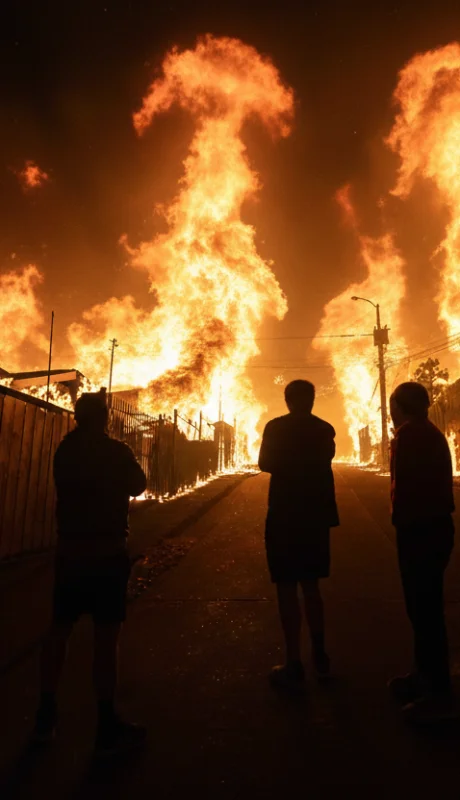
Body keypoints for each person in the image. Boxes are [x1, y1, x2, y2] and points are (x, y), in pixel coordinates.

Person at [33, 388, 148, 755]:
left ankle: (45, 713)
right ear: (106, 420)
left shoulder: (65, 451)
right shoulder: (116, 452)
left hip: (70, 553)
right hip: (107, 554)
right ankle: (105, 722)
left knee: (59, 630)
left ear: (77, 418)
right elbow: (139, 485)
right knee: (105, 639)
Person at [258, 379, 339, 689]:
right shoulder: (324, 430)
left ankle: (294, 661)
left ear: (288, 400)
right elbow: (325, 459)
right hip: (315, 517)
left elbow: (265, 463)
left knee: (286, 588)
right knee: (312, 586)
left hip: (284, 516)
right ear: (312, 400)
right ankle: (320, 653)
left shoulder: (275, 428)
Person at [388, 381, 456, 723]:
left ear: (400, 406)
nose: (390, 409)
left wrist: (402, 523)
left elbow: (408, 486)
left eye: (392, 403)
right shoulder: (426, 432)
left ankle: (438, 693)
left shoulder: (411, 435)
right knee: (422, 609)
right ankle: (422, 676)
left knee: (425, 611)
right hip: (431, 527)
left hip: (422, 529)